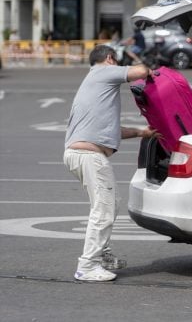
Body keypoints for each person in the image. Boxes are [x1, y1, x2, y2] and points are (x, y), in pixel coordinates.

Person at [64, 45, 159, 282]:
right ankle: (87, 266)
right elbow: (140, 71)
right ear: (109, 59)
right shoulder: (102, 72)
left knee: (109, 204)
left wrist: (142, 133)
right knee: (104, 210)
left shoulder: (94, 85)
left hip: (81, 154)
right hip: (89, 157)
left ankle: (102, 255)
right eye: (116, 61)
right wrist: (147, 64)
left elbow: (111, 131)